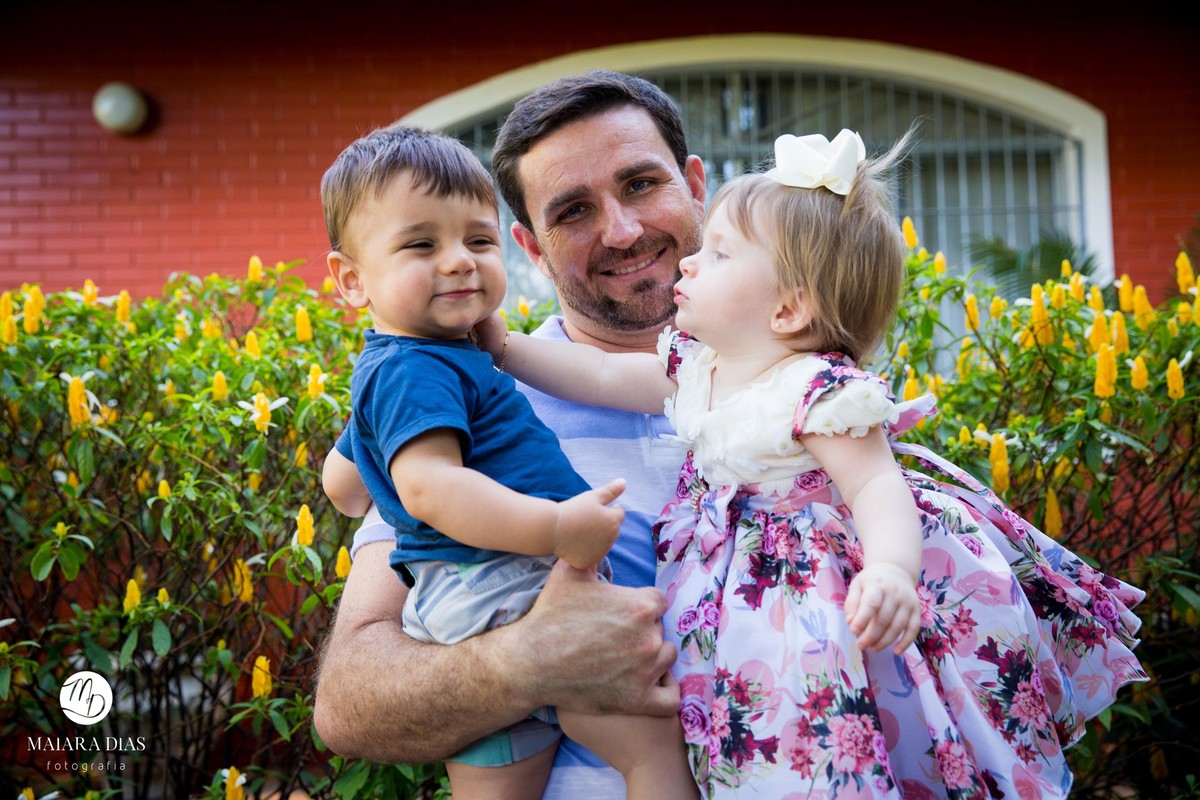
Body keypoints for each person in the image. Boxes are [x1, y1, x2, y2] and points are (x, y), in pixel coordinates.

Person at [473, 128, 1149, 798]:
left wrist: (889, 571)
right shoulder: (697, 366)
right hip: (737, 605)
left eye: (719, 254)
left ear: (789, 308)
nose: (688, 264)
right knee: (749, 724)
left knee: (825, 731)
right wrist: (504, 347)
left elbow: (876, 484)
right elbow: (596, 373)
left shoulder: (818, 389)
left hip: (810, 599)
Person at [312, 70, 708, 799]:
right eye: (574, 210)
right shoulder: (472, 406)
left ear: (694, 184)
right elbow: (347, 703)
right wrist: (527, 661)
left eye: (642, 184)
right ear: (532, 245)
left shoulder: (807, 387)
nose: (621, 231)